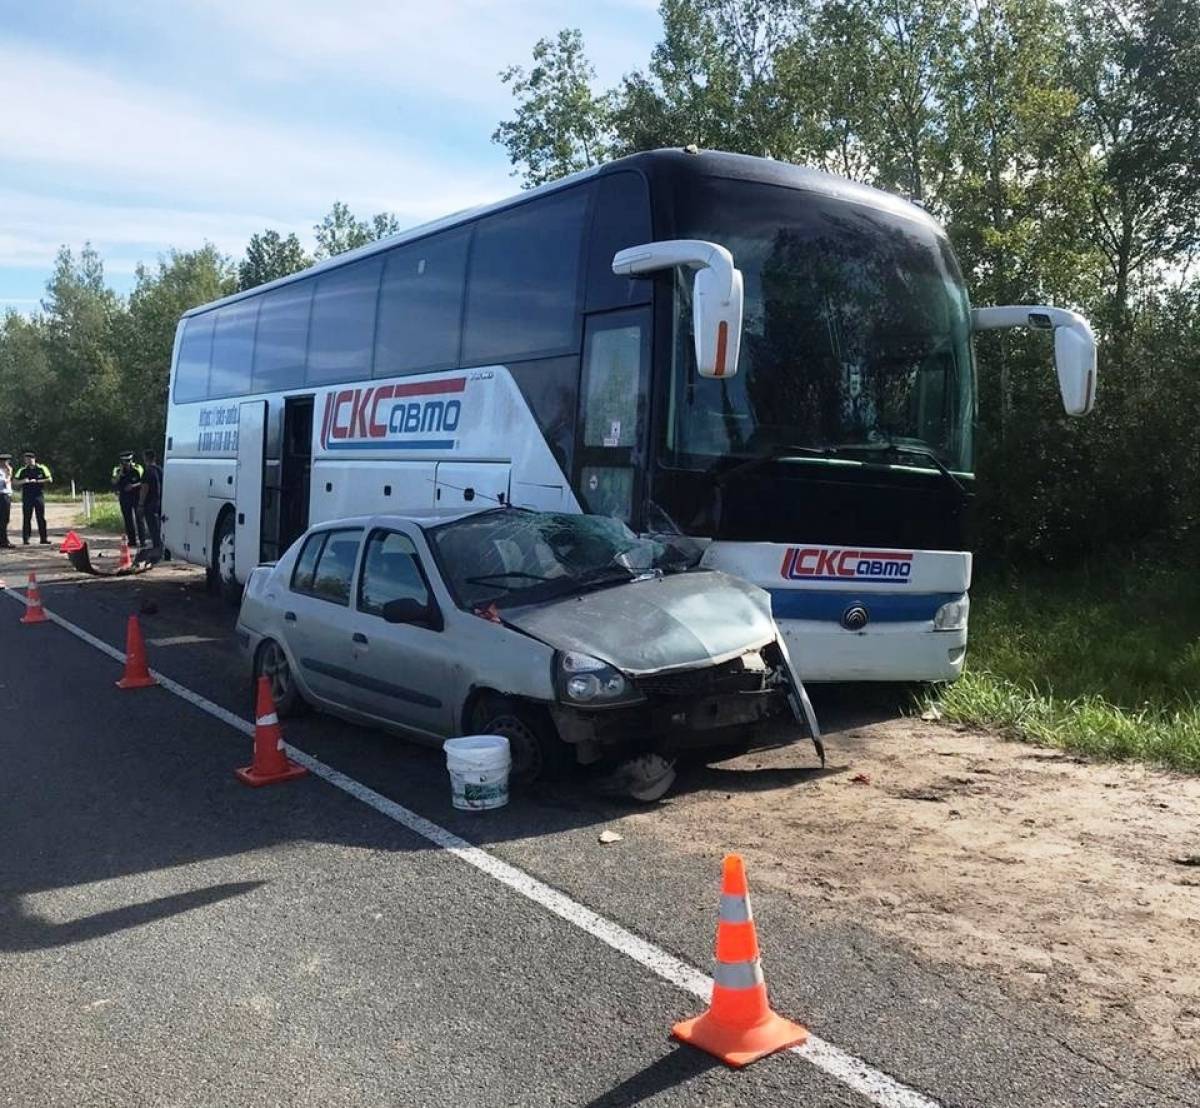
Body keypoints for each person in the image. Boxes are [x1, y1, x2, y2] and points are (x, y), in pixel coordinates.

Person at [14, 450, 51, 545]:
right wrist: (23, 481)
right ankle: (26, 539)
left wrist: (38, 481)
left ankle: (44, 538)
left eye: (29, 459)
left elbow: (49, 479)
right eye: (26, 459)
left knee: (41, 517)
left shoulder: (42, 468)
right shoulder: (22, 470)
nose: (28, 461)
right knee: (27, 518)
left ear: (34, 459)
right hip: (27, 496)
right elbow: (15, 481)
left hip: (38, 495)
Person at [111, 451, 147, 548]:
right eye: (125, 461)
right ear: (121, 462)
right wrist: (120, 474)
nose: (127, 463)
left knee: (139, 519)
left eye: (129, 461)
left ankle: (142, 540)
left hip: (136, 496)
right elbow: (114, 481)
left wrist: (133, 486)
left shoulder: (138, 468)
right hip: (124, 497)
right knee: (128, 520)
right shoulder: (117, 469)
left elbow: (144, 481)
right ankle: (132, 541)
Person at [140, 448, 163, 549]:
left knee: (153, 527)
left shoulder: (147, 471)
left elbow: (145, 488)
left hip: (150, 503)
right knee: (161, 526)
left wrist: (140, 504)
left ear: (146, 458)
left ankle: (157, 547)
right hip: (161, 502)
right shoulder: (160, 470)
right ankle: (163, 547)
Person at [0, 452, 13, 549]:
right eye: (6, 461)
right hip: (2, 496)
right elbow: (4, 483)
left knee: (5, 519)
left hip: (6, 495)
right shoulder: (1, 471)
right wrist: (9, 474)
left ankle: (3, 540)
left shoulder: (5, 471)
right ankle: (4, 542)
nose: (7, 464)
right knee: (3, 519)